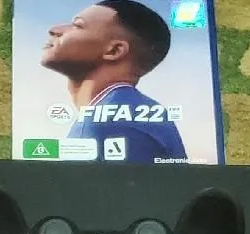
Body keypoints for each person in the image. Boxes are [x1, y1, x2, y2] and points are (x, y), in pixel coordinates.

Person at [41, 0, 187, 163]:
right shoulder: (139, 112)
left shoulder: (106, 124)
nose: (54, 29)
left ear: (114, 51)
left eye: (77, 25)